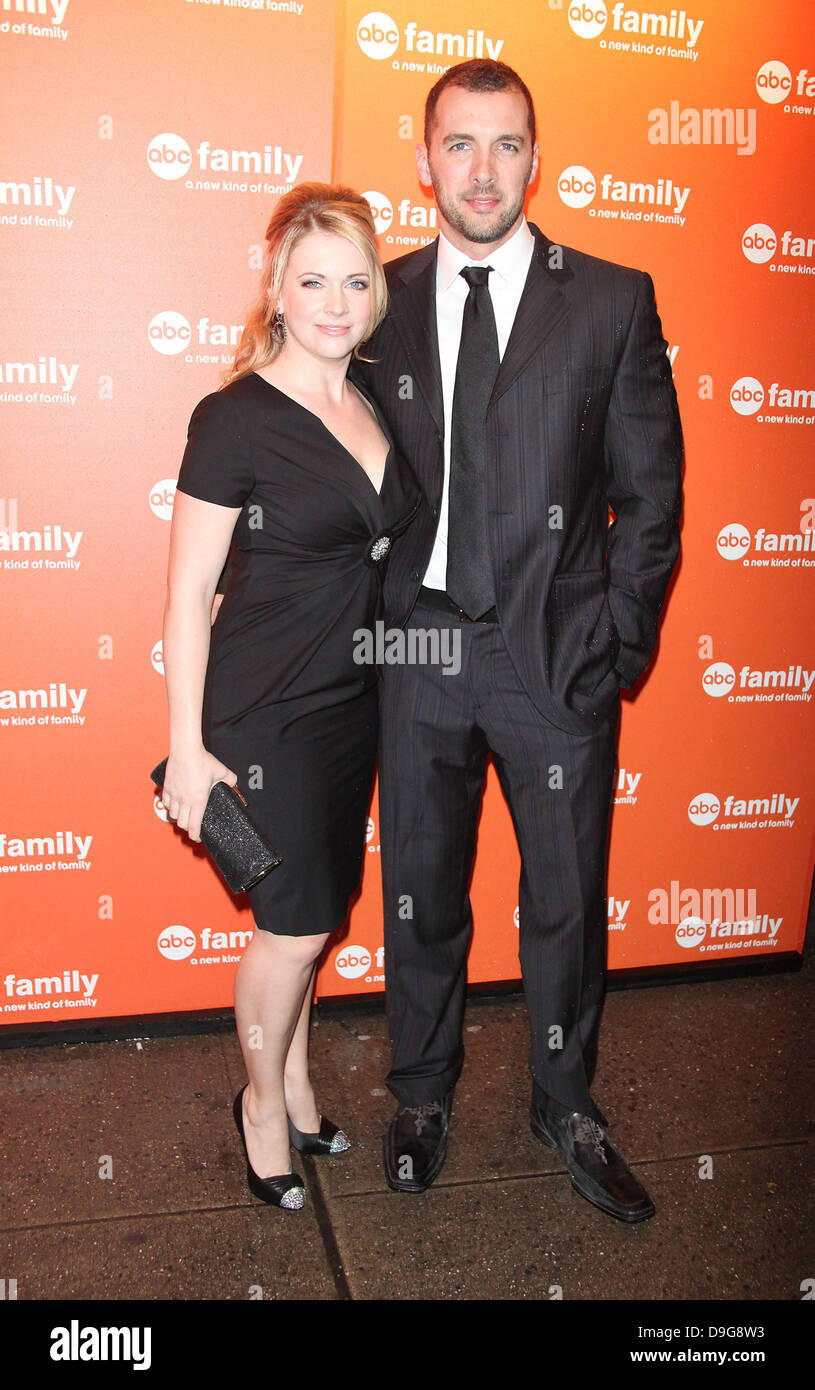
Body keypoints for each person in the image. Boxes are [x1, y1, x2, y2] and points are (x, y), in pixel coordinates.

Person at [352, 61, 683, 1222]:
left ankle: (562, 1096)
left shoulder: (607, 298)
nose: (481, 170)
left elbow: (650, 498)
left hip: (554, 657)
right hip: (419, 654)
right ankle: (422, 1090)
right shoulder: (373, 302)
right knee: (421, 890)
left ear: (534, 159)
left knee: (564, 899)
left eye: (504, 146)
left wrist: (613, 647)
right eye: (458, 145)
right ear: (423, 156)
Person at [161, 183, 420, 1211]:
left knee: (313, 912)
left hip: (353, 696)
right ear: (275, 286)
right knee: (294, 927)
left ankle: (299, 1081)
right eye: (312, 279)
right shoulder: (233, 419)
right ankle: (259, 1103)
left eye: (355, 280)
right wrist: (186, 746)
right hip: (263, 707)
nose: (334, 300)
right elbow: (185, 598)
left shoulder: (370, 402)